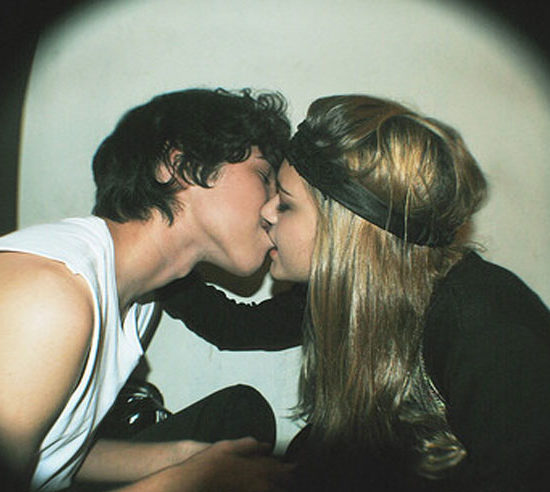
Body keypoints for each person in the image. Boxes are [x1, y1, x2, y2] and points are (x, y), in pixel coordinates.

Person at [160, 94, 550, 491]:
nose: (266, 211)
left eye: (286, 204)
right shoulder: (348, 291)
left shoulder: (487, 329)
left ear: (345, 226)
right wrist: (166, 247)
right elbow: (236, 327)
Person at [0, 87, 295, 492]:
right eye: (263, 176)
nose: (275, 207)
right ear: (176, 166)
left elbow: (58, 452)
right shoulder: (50, 298)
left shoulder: (140, 302)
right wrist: (183, 482)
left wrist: (182, 457)